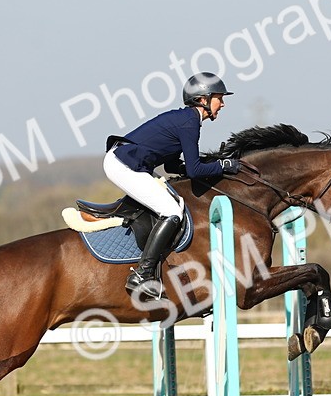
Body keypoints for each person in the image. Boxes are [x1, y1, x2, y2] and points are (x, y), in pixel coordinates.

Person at [103, 72, 242, 299]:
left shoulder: (185, 119)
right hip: (123, 164)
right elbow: (195, 170)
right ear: (203, 99)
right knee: (172, 211)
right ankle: (143, 273)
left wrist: (211, 164)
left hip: (124, 161)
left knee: (172, 203)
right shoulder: (189, 123)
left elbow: (172, 165)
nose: (223, 103)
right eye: (219, 97)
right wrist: (224, 165)